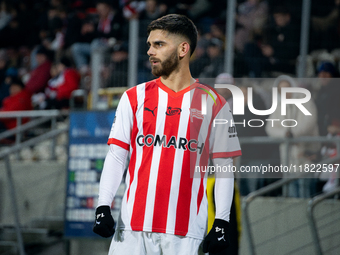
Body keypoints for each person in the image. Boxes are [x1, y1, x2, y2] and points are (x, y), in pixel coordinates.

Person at [92, 14, 242, 255]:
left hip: (185, 232)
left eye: (159, 44)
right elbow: (117, 155)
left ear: (183, 49)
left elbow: (224, 165)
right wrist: (103, 205)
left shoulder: (215, 103)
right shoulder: (134, 97)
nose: (150, 51)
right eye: (149, 45)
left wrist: (222, 221)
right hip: (131, 227)